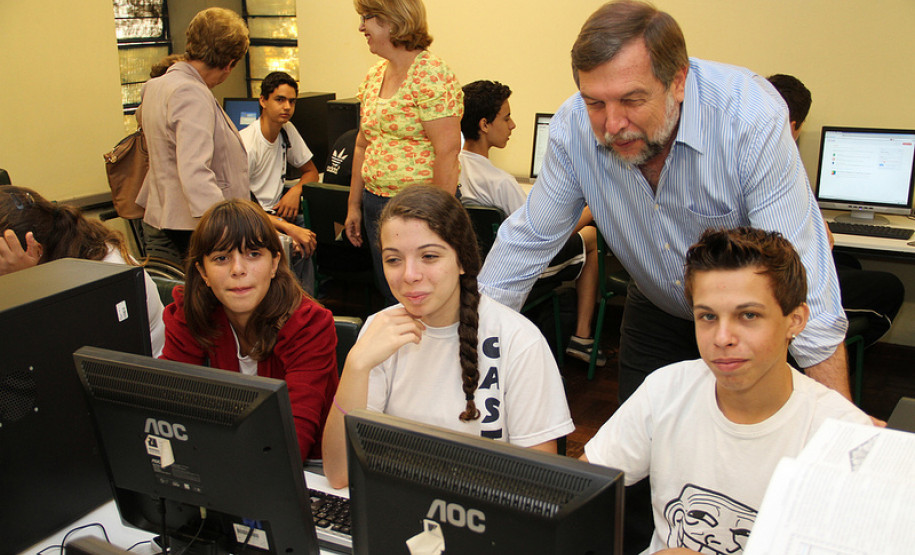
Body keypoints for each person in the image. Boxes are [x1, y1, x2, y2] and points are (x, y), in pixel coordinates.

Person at [478, 0, 848, 404]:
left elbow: (801, 275)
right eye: (595, 103)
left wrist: (840, 432)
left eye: (632, 100)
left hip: (748, 319)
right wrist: (466, 349)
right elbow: (527, 241)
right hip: (657, 309)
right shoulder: (573, 128)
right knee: (645, 458)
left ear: (678, 81)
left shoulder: (749, 116)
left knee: (758, 454)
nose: (612, 125)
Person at [582, 227, 871, 554]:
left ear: (796, 320)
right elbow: (578, 490)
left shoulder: (839, 437)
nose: (722, 338)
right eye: (707, 316)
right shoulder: (666, 390)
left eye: (748, 315)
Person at [323, 185, 574, 488]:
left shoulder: (519, 341)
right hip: (400, 504)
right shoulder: (379, 331)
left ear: (462, 260)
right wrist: (356, 366)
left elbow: (539, 486)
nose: (410, 275)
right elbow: (339, 474)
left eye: (429, 256)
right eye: (393, 259)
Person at [161, 199, 338, 461]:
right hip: (221, 461)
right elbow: (170, 409)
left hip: (308, 470)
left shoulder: (309, 325)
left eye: (253, 254)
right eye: (221, 258)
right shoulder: (189, 315)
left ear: (275, 263)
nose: (238, 270)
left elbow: (291, 440)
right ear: (203, 272)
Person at [459, 80, 605, 365]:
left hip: (477, 265)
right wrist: (590, 208)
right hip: (519, 268)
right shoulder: (501, 182)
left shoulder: (453, 168)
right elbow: (539, 237)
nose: (512, 125)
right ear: (485, 124)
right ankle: (583, 338)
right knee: (591, 236)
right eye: (506, 117)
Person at [767, 73, 905, 346]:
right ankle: (829, 351)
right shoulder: (777, 163)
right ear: (795, 126)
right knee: (891, 286)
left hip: (773, 267)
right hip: (782, 277)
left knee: (849, 263)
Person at [343, 0, 463, 303]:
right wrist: (353, 205)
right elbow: (362, 144)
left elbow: (447, 153)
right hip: (376, 204)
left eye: (366, 18)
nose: (361, 27)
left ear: (392, 21)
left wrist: (436, 221)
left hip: (421, 209)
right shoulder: (374, 76)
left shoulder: (431, 74)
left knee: (423, 293)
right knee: (391, 290)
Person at [136, 7, 251, 259]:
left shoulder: (156, 86)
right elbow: (195, 169)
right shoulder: (192, 93)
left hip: (162, 214)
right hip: (192, 225)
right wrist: (226, 229)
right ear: (229, 64)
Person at [0, 185, 165, 356]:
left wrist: (22, 285)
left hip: (138, 375)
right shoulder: (62, 253)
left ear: (35, 250)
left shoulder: (103, 275)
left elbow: (54, 357)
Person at [240, 71, 320, 292]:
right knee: (295, 240)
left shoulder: (287, 130)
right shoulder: (248, 145)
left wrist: (295, 191)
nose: (287, 107)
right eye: (280, 100)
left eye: (292, 101)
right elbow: (242, 207)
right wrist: (287, 228)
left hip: (275, 215)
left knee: (309, 236)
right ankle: (287, 303)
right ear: (263, 101)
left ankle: (307, 304)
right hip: (252, 218)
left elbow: (311, 172)